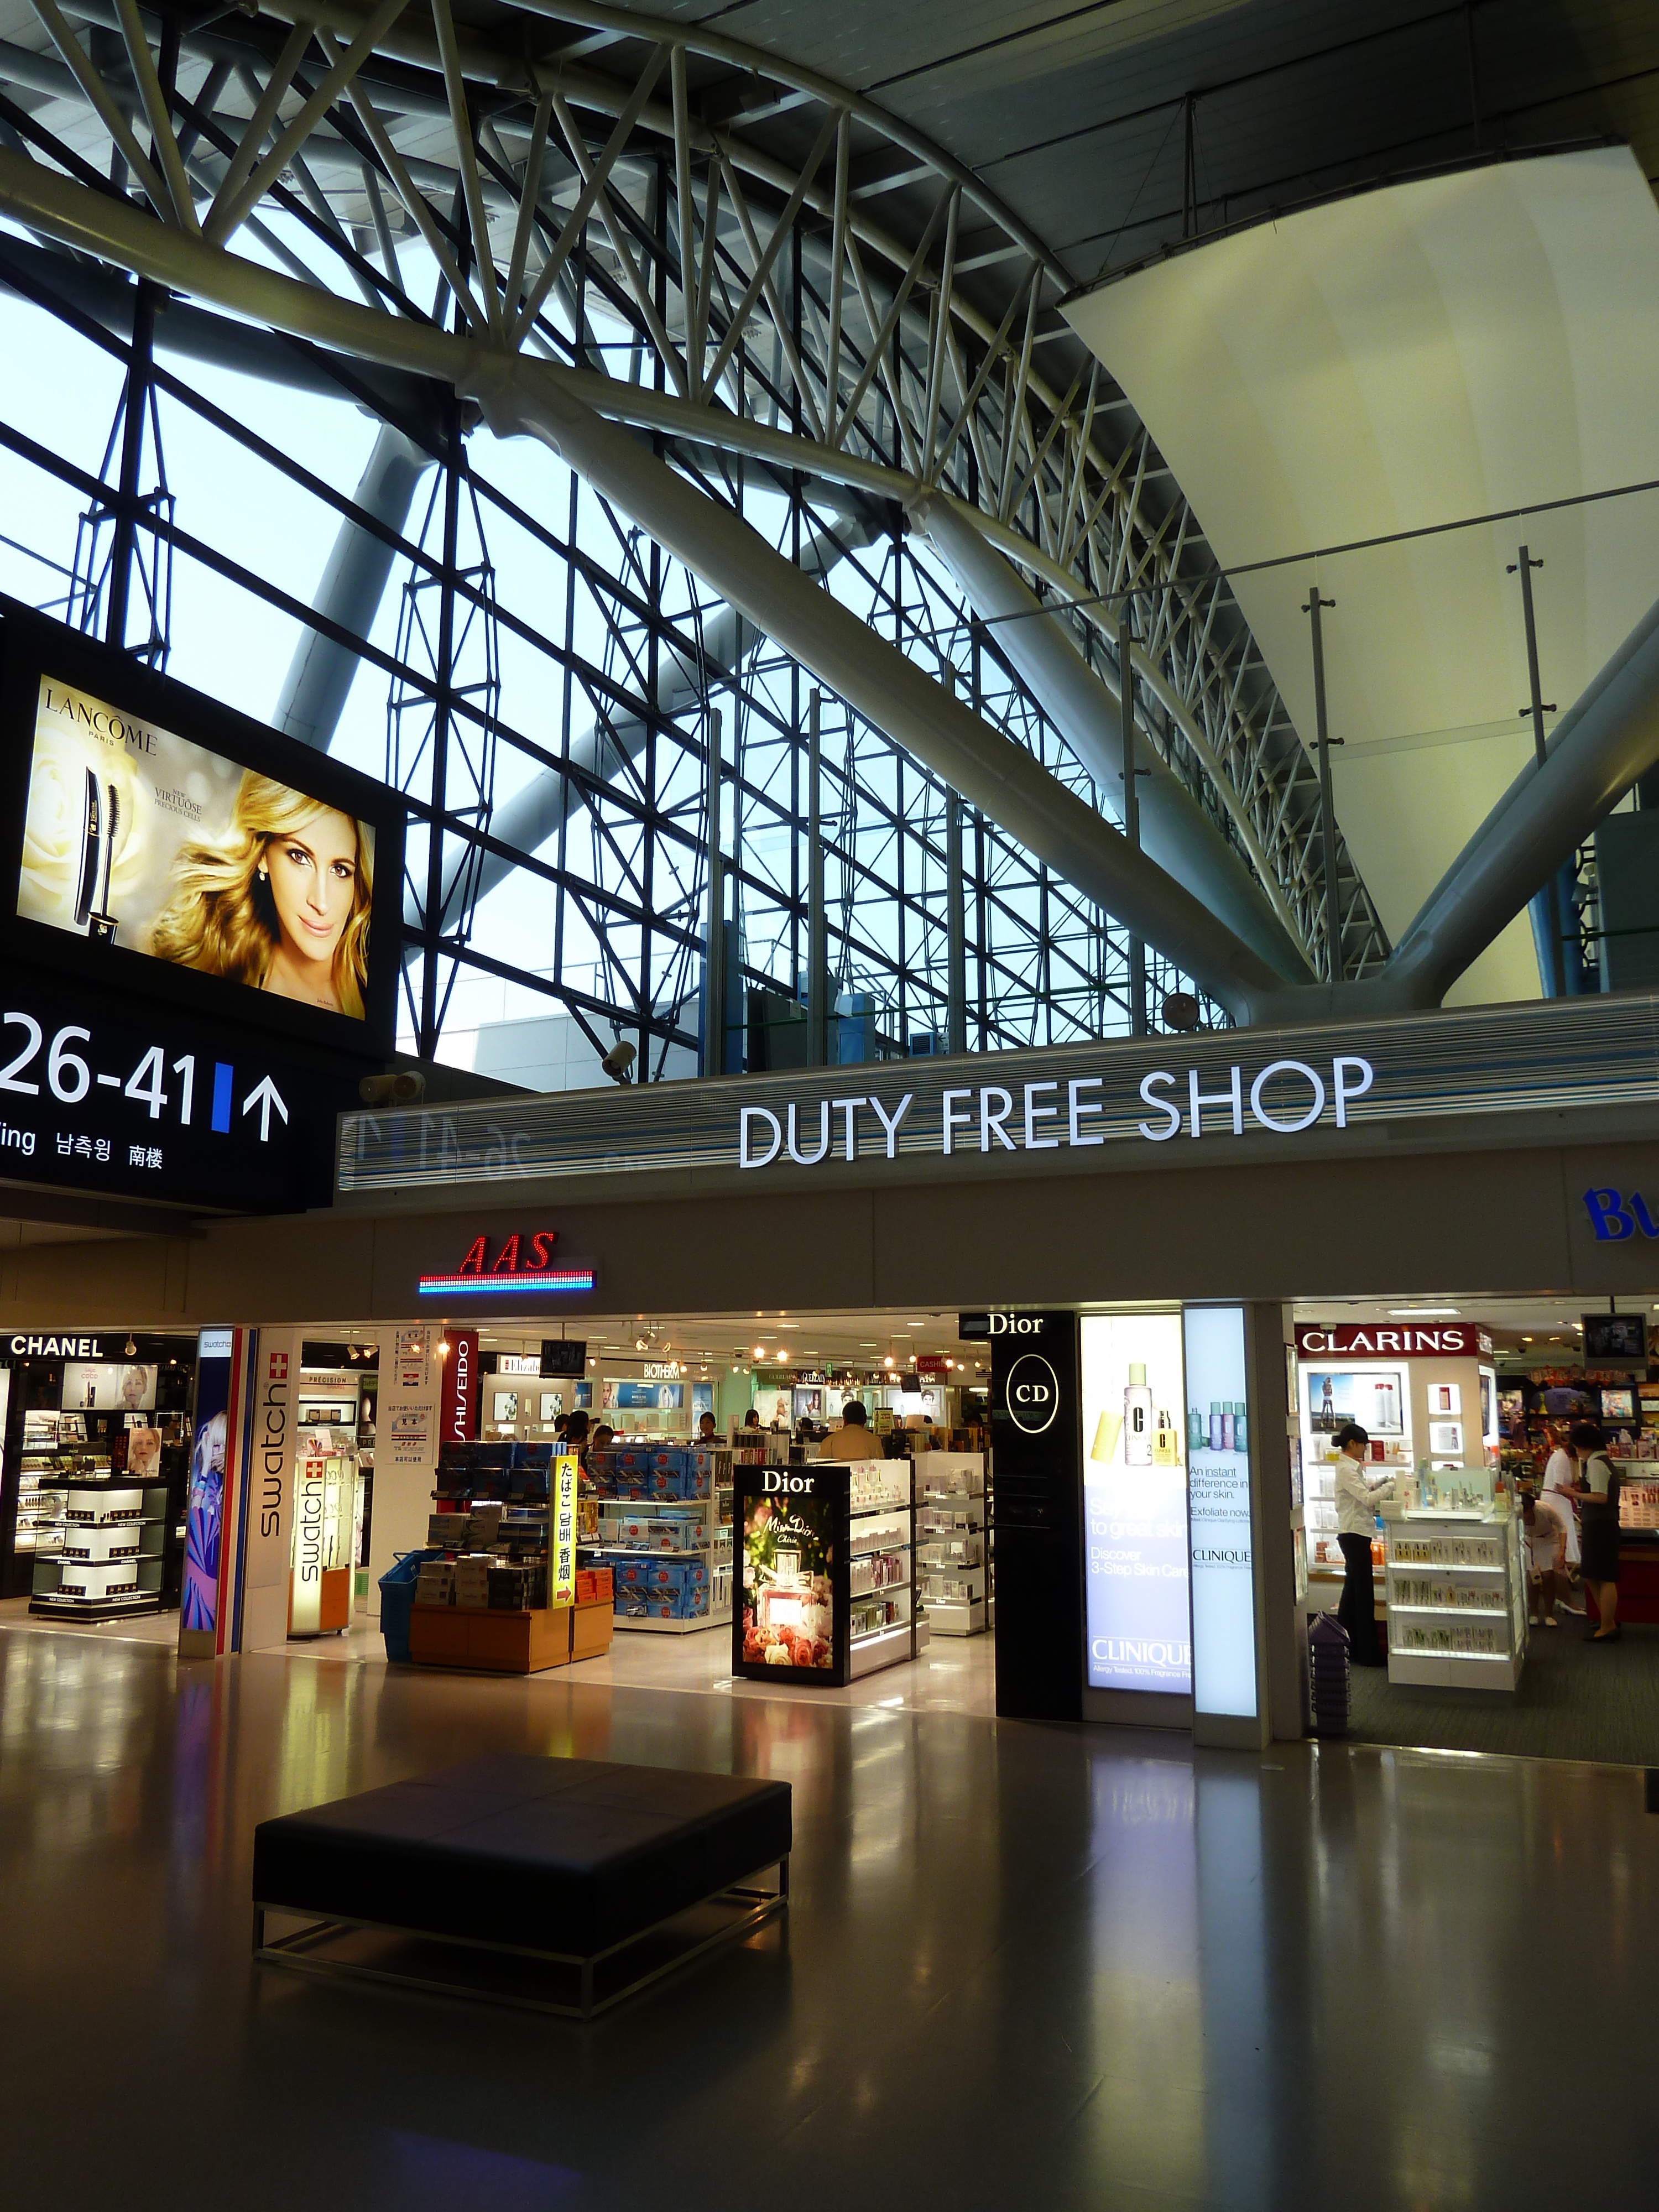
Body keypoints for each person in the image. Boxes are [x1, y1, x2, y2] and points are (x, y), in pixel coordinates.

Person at [149, 772, 374, 1018]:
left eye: (340, 870)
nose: (321, 903)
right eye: (300, 857)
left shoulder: (373, 992)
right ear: (264, 855)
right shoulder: (221, 971)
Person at [1332, 1421, 1394, 1666]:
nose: (1365, 1450)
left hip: (1355, 1534)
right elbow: (1367, 1500)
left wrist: (1378, 1485)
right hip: (1354, 1535)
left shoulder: (1350, 1468)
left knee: (1352, 1594)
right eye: (1363, 1446)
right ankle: (1367, 1653)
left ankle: (1346, 1647)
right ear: (1352, 1444)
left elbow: (1363, 1493)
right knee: (1363, 1596)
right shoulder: (1346, 1469)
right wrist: (1389, 1487)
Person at [1566, 1420, 1623, 1642]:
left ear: (1585, 1445)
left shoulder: (1598, 1464)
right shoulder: (1595, 1462)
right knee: (1592, 1574)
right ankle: (1606, 1618)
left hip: (1601, 1525)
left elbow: (1600, 1497)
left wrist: (1574, 1494)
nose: (1577, 1452)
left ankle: (1608, 1625)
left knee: (1604, 1576)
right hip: (1598, 1524)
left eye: (1578, 1447)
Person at [1539, 1420, 1582, 1593]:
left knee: (1563, 1535)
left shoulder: (1560, 1456)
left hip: (1557, 1499)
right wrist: (1575, 1491)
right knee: (1564, 1534)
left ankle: (1562, 1572)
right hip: (1557, 1500)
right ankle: (1563, 1571)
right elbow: (1559, 1484)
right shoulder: (1562, 1458)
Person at [1522, 1488, 1569, 1628]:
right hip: (1529, 1542)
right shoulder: (1517, 1513)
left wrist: (1562, 1549)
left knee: (1548, 1576)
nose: (1525, 1516)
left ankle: (1549, 1614)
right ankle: (1534, 1613)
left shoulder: (1544, 1509)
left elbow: (1562, 1526)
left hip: (1549, 1540)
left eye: (1527, 1512)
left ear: (1532, 1507)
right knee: (1533, 1578)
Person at [813, 1400, 884, 1460]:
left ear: (844, 1419)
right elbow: (880, 1467)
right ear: (865, 1419)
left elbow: (819, 1468)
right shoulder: (875, 1441)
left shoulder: (829, 1441)